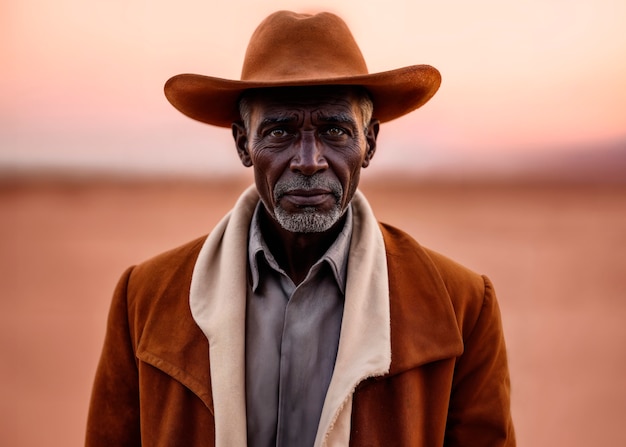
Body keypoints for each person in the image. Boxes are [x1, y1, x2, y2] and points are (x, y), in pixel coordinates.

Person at [85, 10, 515, 447]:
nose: (309, 160)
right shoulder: (145, 299)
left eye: (334, 129)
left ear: (369, 143)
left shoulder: (460, 307)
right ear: (242, 144)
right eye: (280, 131)